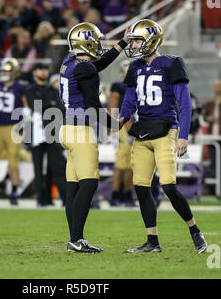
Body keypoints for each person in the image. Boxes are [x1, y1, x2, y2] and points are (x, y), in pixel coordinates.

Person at [119, 19, 207, 254]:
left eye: (138, 39)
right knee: (140, 186)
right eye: (134, 40)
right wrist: (121, 118)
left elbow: (185, 103)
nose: (135, 44)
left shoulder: (172, 63)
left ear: (152, 40)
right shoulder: (135, 67)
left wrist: (183, 136)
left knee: (168, 185)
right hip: (142, 131)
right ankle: (152, 241)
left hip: (166, 131)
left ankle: (195, 231)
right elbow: (129, 101)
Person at [59, 22, 129, 253]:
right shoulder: (84, 68)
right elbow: (92, 105)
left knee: (73, 185)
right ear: (86, 41)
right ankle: (76, 239)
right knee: (89, 183)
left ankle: (73, 238)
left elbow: (97, 65)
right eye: (96, 41)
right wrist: (114, 125)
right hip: (81, 131)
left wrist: (122, 44)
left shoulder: (70, 63)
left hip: (66, 129)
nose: (99, 45)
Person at [24, 62, 67, 206]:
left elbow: (61, 108)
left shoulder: (52, 89)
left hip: (52, 131)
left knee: (54, 167)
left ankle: (52, 198)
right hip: (36, 132)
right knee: (37, 167)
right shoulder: (30, 89)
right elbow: (33, 105)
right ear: (34, 72)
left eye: (45, 69)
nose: (43, 72)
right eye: (40, 69)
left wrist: (48, 105)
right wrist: (51, 104)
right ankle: (40, 199)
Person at [0, 58, 27, 205]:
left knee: (13, 161)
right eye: (3, 71)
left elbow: (27, 106)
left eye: (7, 71)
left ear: (14, 72)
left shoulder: (20, 87)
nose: (4, 73)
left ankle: (14, 191)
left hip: (14, 127)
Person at [108, 59, 135, 207]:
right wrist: (113, 127)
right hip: (122, 126)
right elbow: (113, 106)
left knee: (130, 164)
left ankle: (126, 194)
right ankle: (116, 194)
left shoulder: (136, 85)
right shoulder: (118, 86)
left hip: (135, 126)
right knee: (120, 163)